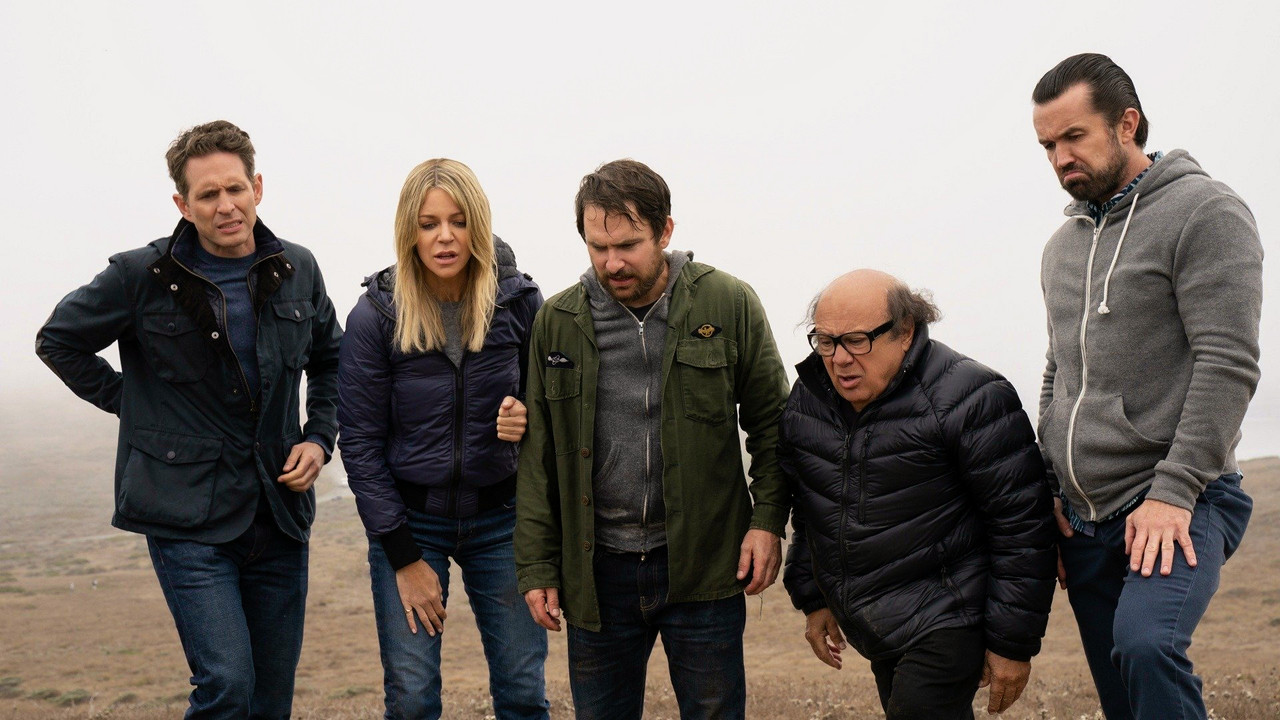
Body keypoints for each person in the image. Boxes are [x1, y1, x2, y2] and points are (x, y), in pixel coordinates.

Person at [35, 120, 342, 718]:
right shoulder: (140, 276)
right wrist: (134, 406)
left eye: (236, 189)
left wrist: (319, 438)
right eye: (208, 194)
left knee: (270, 698)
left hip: (278, 512)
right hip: (185, 516)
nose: (226, 206)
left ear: (257, 187)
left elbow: (331, 360)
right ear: (183, 203)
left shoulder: (297, 268)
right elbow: (58, 340)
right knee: (227, 683)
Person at [514, 159, 790, 719]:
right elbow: (539, 457)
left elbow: (773, 424)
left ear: (665, 231)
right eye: (597, 247)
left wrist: (766, 522)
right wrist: (539, 567)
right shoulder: (557, 322)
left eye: (628, 245)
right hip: (598, 574)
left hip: (705, 564)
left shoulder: (728, 302)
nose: (612, 263)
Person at [1032, 53, 1262, 720]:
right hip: (1084, 518)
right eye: (1048, 145)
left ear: (1126, 123)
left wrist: (1172, 492)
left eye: (1074, 137)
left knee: (1146, 647)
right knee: (1122, 697)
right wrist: (1051, 485)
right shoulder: (1062, 246)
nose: (1060, 158)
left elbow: (1228, 363)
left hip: (1178, 498)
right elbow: (1058, 369)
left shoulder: (1206, 212)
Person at [781, 270, 1056, 719]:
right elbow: (814, 506)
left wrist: (1012, 644)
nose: (839, 359)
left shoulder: (971, 397)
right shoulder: (810, 399)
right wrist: (813, 598)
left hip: (950, 614)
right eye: (826, 342)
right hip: (877, 619)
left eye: (856, 341)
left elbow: (1022, 526)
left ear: (905, 331)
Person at [337, 158, 549, 720]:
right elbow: (359, 444)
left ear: (479, 224)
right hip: (411, 524)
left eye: (459, 221)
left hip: (503, 521)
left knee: (523, 692)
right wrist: (404, 557)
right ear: (409, 230)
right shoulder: (376, 315)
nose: (445, 237)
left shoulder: (519, 302)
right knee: (411, 699)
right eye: (429, 224)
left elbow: (554, 407)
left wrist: (528, 417)